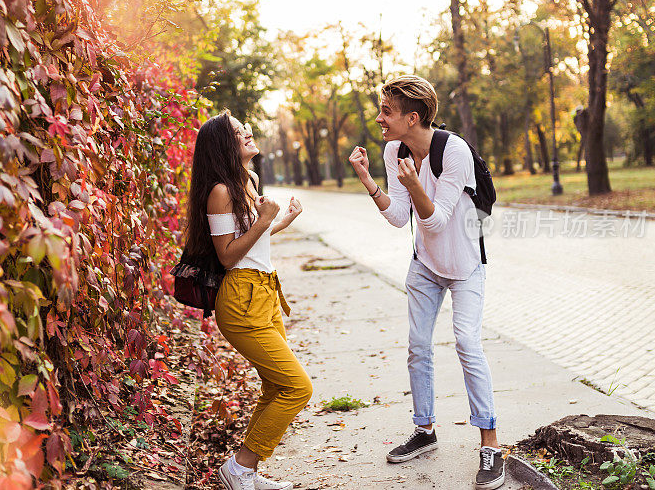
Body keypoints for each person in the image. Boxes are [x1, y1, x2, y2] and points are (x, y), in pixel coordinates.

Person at [348, 75, 504, 489]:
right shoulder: (392, 149)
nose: (380, 119)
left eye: (387, 112)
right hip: (425, 264)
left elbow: (435, 220)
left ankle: (490, 444)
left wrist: (416, 184)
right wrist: (367, 179)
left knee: (468, 344)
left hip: (466, 263)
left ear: (412, 117)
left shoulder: (454, 151)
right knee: (418, 347)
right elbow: (401, 217)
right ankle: (425, 430)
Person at [183, 111, 312, 490]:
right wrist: (263, 221)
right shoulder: (221, 192)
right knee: (298, 387)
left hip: (265, 292)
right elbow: (227, 255)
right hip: (240, 299)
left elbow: (255, 239)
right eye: (240, 132)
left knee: (276, 386)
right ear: (226, 144)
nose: (249, 132)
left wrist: (280, 221)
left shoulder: (248, 180)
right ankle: (240, 466)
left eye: (246, 128)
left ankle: (246, 473)